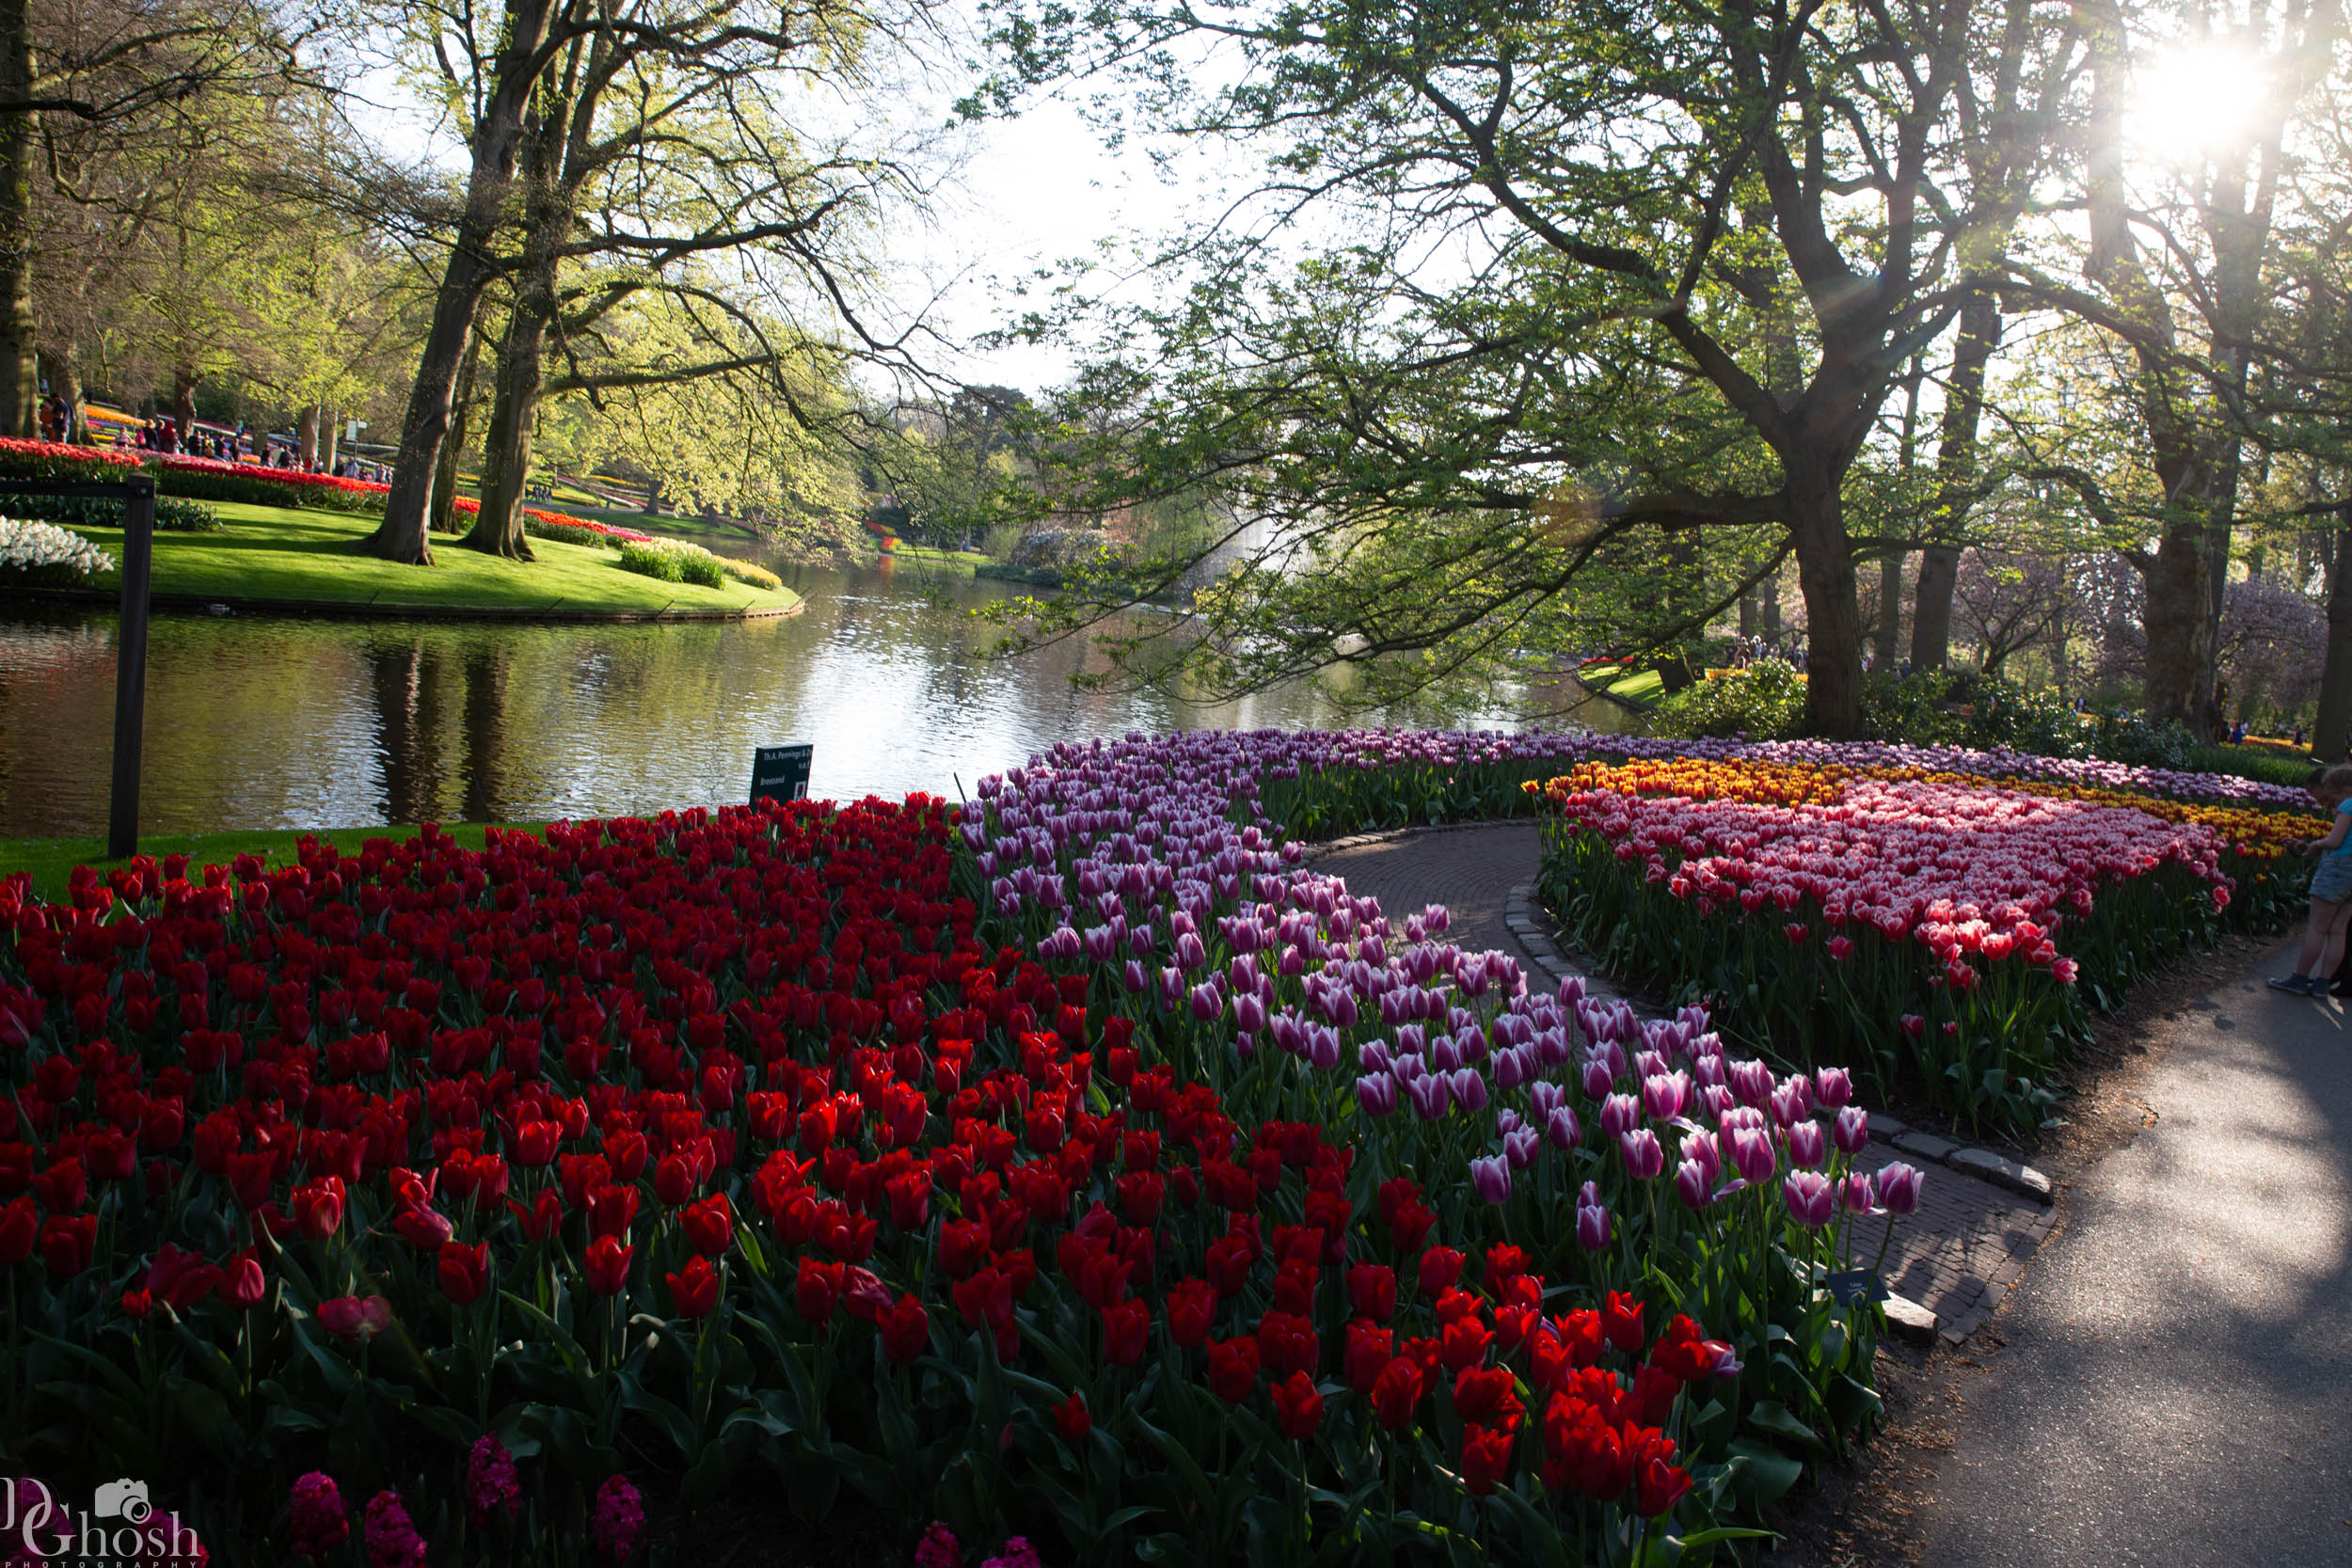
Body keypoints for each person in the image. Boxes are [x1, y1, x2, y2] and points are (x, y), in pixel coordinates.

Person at [2268, 763, 2352, 995]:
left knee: (2317, 928)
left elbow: (2335, 841)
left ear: (2345, 789)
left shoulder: (2348, 805)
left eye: (2334, 795)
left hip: (2337, 869)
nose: (2332, 802)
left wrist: (2316, 844)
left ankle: (2299, 978)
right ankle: (2323, 983)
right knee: (2339, 931)